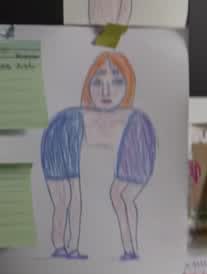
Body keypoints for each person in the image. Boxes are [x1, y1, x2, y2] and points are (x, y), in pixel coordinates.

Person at [41, 52, 156, 262]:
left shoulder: (136, 124)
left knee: (117, 196)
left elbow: (134, 173)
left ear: (129, 84)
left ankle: (130, 250)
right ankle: (64, 247)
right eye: (98, 81)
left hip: (133, 143)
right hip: (59, 140)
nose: (106, 91)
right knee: (65, 198)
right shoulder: (70, 123)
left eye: (117, 82)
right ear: (88, 84)